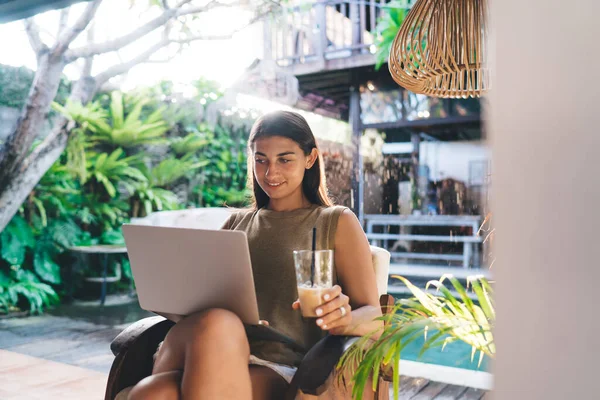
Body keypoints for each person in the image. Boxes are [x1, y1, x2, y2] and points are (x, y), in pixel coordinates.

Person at [128, 111, 382, 400]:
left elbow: (376, 318)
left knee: (207, 337)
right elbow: (207, 296)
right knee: (151, 392)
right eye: (261, 160)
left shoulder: (335, 221)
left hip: (280, 364)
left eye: (284, 160)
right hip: (207, 347)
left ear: (310, 159)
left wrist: (343, 318)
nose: (270, 173)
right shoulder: (237, 224)